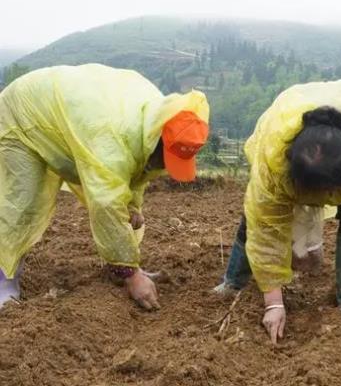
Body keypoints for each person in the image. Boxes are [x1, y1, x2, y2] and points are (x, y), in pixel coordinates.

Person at [214, 74, 341, 344]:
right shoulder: (274, 159)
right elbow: (265, 231)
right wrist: (273, 304)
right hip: (284, 153)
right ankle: (233, 282)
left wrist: (311, 241)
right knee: (253, 216)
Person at [0, 64, 209, 310]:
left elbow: (138, 167)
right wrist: (131, 275)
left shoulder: (160, 115)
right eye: (165, 159)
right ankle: (4, 280)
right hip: (24, 113)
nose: (164, 167)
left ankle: (120, 265)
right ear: (158, 139)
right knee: (23, 204)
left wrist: (132, 204)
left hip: (71, 113)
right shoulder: (111, 139)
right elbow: (106, 203)